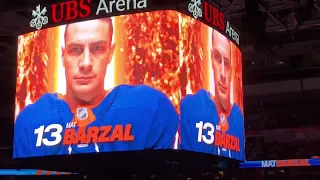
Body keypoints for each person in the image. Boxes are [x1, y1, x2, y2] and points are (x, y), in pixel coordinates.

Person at [13, 18, 179, 158]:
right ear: (63, 56)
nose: (86, 63)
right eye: (75, 50)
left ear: (110, 52)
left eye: (97, 48)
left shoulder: (150, 107)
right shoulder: (31, 120)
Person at [179, 29, 244, 161]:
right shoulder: (192, 106)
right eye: (217, 57)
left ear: (231, 69)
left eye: (226, 63)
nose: (222, 73)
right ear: (211, 60)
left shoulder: (238, 118)